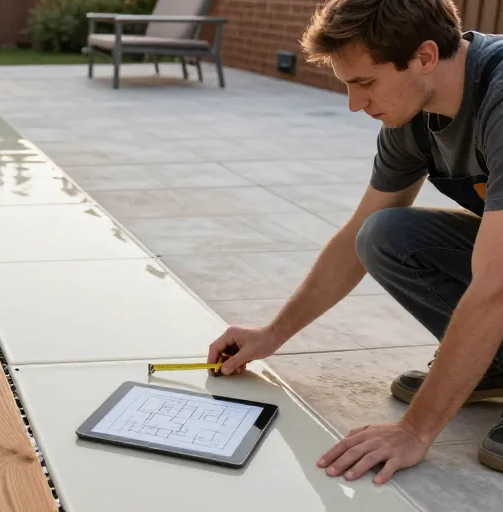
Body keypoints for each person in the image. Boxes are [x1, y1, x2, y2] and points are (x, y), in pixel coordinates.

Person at [206, 0, 503, 485]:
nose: (354, 103)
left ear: (425, 56)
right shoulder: (412, 114)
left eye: (365, 82)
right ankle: (493, 365)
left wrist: (415, 429)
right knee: (385, 234)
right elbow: (354, 241)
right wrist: (272, 334)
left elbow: (495, 286)